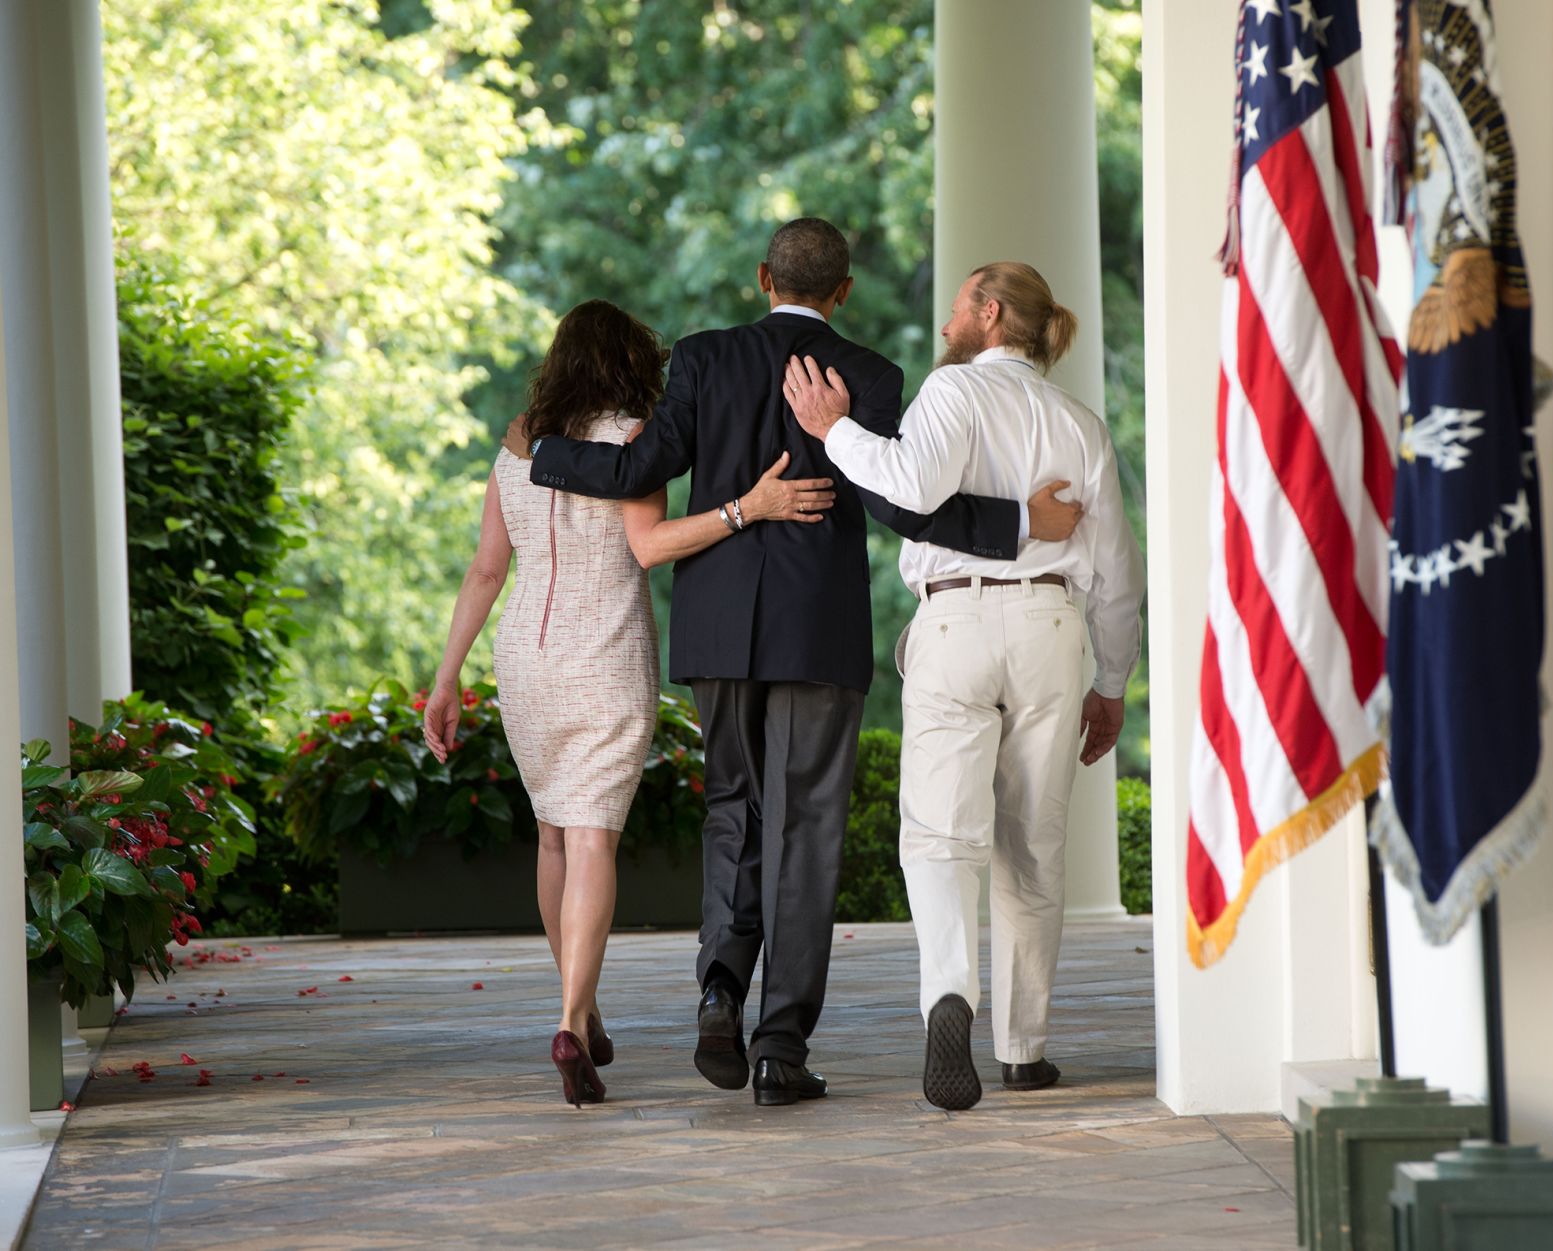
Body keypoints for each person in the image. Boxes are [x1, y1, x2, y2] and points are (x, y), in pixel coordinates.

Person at [527, 220, 1082, 1106]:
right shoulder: (870, 375)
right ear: (845, 291)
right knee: (807, 830)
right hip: (818, 632)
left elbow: (641, 463)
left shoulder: (703, 359)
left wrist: (545, 454)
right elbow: (911, 503)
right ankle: (780, 1048)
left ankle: (718, 991)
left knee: (732, 809)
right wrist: (1020, 526)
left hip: (716, 629)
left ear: (761, 278)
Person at [422, 299, 838, 1108]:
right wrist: (745, 508)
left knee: (552, 835)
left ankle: (582, 1008)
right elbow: (649, 547)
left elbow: (484, 570)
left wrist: (446, 678)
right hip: (606, 654)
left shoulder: (519, 444)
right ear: (630, 362)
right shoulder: (631, 439)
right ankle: (572, 1017)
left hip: (527, 659)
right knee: (593, 839)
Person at [784, 261, 1144, 1111]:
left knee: (942, 833)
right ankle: (1024, 1048)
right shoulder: (1081, 425)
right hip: (1053, 630)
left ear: (989, 315)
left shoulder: (954, 395)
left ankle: (951, 996)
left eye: (956, 310)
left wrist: (835, 429)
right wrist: (1115, 681)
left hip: (955, 621)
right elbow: (1118, 574)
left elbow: (909, 486)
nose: (946, 325)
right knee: (1036, 840)